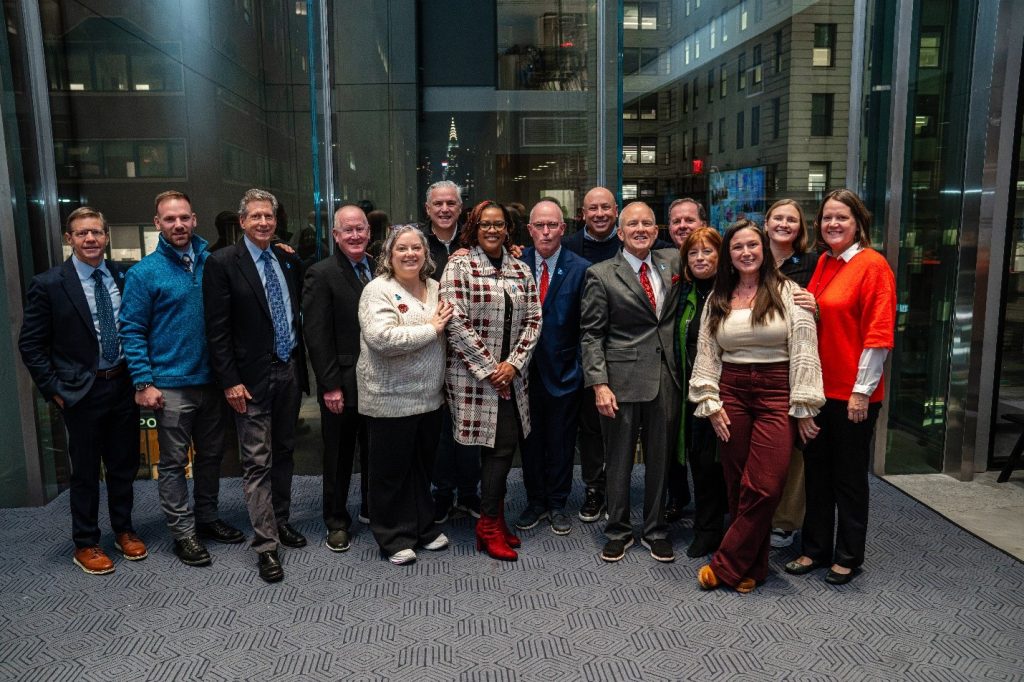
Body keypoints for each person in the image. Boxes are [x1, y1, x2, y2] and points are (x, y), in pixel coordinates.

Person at [689, 219, 825, 593]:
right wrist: (711, 403)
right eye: (737, 247)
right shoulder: (718, 297)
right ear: (728, 255)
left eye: (752, 245)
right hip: (731, 392)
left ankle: (725, 564)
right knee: (738, 485)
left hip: (776, 393)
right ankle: (753, 568)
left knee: (765, 486)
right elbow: (707, 353)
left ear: (763, 250)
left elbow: (804, 348)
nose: (746, 252)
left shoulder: (789, 292)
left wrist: (804, 405)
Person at [119, 191, 244, 568]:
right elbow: (131, 330)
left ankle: (207, 518)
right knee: (173, 463)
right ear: (157, 223)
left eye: (184, 218)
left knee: (212, 456)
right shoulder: (144, 273)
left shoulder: (212, 262)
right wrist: (143, 382)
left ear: (194, 220)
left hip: (212, 382)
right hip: (170, 386)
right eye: (170, 219)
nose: (178, 225)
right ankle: (183, 532)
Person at [19, 206, 146, 575]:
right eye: (81, 233)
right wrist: (55, 389)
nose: (90, 239)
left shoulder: (124, 275)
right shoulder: (49, 284)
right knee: (87, 471)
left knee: (123, 466)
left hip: (122, 385)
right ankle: (86, 542)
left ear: (106, 236)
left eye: (96, 232)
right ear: (69, 239)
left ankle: (124, 529)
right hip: (81, 392)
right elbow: (31, 345)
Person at [785, 189, 896, 586]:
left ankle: (848, 555)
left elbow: (878, 335)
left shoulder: (873, 266)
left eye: (842, 217)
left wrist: (861, 392)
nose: (833, 224)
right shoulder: (824, 263)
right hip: (819, 390)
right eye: (827, 218)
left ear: (858, 223)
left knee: (847, 479)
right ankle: (815, 549)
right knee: (817, 475)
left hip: (853, 395)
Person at [203, 188, 310, 583]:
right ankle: (266, 546)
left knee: (284, 451)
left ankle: (280, 520)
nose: (263, 222)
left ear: (276, 221)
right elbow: (217, 330)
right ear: (242, 221)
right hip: (248, 380)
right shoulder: (222, 263)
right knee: (256, 462)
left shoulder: (287, 260)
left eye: (269, 216)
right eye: (256, 216)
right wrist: (229, 381)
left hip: (288, 371)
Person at [580, 201, 681, 564]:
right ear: (620, 233)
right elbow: (591, 334)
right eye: (633, 225)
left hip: (666, 377)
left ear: (656, 230)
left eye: (647, 224)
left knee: (660, 460)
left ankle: (655, 530)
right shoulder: (601, 274)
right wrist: (599, 384)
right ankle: (618, 530)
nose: (641, 229)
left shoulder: (673, 263)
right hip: (619, 382)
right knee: (619, 460)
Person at [441, 200, 541, 561]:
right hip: (473, 378)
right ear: (475, 227)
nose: (493, 230)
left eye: (499, 224)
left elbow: (534, 319)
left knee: (503, 447)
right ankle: (488, 525)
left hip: (512, 377)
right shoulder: (459, 266)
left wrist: (512, 365)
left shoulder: (520, 268)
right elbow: (455, 322)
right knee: (496, 448)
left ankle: (493, 521)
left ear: (508, 229)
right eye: (486, 224)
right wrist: (491, 369)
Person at [357, 225, 454, 564]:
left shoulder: (436, 287)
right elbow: (382, 339)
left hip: (429, 397)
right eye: (402, 248)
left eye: (416, 248)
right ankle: (392, 537)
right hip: (390, 398)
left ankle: (422, 528)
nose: (410, 254)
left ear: (426, 253)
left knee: (421, 470)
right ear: (389, 254)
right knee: (390, 473)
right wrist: (432, 328)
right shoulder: (377, 290)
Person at [515, 200, 589, 536]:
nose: (546, 232)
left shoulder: (581, 269)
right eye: (539, 226)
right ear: (529, 230)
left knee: (561, 441)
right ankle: (535, 501)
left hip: (564, 372)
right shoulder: (515, 265)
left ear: (563, 228)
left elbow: (588, 326)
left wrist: (579, 368)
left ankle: (558, 502)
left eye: (552, 225)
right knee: (529, 442)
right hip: (523, 374)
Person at [302, 205, 374, 554]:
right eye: (348, 230)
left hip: (379, 382)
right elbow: (316, 336)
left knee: (374, 450)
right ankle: (336, 520)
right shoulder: (321, 273)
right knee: (339, 455)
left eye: (360, 229)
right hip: (342, 383)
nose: (355, 235)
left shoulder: (380, 269)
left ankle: (371, 508)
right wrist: (329, 386)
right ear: (335, 235)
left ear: (369, 232)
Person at [422, 181, 482, 524]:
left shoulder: (474, 241)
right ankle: (442, 493)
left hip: (470, 350)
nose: (444, 209)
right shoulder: (417, 243)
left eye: (451, 203)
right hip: (430, 347)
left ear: (461, 208)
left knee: (469, 425)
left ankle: (470, 492)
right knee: (440, 428)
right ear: (428, 209)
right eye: (438, 204)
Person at [763, 198, 821, 549]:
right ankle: (758, 514)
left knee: (795, 448)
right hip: (757, 365)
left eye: (792, 220)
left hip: (795, 365)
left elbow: (826, 304)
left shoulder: (813, 263)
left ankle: (785, 521)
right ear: (766, 222)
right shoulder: (752, 257)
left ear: (801, 228)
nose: (784, 224)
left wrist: (818, 305)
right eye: (778, 218)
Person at [561, 186, 619, 523]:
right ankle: (595, 487)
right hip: (583, 350)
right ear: (582, 214)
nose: (599, 214)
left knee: (621, 425)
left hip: (625, 349)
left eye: (605, 208)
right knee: (591, 426)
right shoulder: (567, 247)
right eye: (592, 209)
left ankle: (619, 488)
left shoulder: (630, 242)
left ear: (616, 211)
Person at [674, 227, 729, 558]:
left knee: (726, 465)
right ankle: (707, 529)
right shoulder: (685, 293)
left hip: (729, 392)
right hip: (693, 393)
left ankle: (732, 532)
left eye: (708, 251)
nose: (700, 258)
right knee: (702, 463)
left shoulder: (733, 292)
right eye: (693, 253)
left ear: (721, 255)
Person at [663, 197, 709, 522]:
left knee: (704, 445)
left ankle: (712, 509)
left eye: (689, 220)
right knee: (671, 439)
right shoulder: (662, 259)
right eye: (676, 221)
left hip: (708, 370)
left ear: (703, 224)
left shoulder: (719, 262)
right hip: (672, 369)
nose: (682, 226)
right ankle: (677, 497)